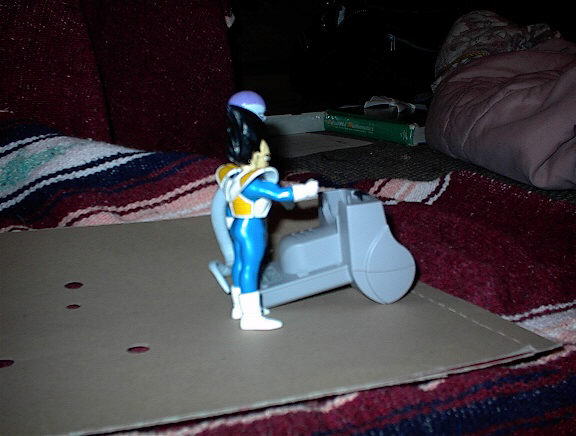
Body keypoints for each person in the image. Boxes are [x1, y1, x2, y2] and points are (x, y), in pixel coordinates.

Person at [215, 92, 318, 330]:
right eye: (264, 154)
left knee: (240, 264)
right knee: (250, 267)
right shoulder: (253, 183)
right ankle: (252, 317)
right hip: (251, 226)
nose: (266, 158)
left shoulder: (232, 174)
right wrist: (308, 189)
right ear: (253, 154)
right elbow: (282, 194)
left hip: (237, 224)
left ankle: (239, 307)